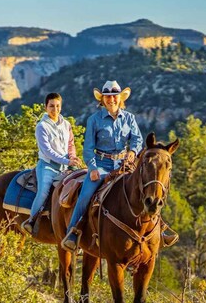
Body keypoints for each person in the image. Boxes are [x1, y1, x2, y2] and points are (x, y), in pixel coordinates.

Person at [60, 81, 144, 252]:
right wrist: (93, 169)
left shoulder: (129, 118)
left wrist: (133, 151)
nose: (111, 99)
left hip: (124, 164)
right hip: (101, 164)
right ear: (102, 100)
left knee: (147, 189)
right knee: (85, 195)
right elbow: (88, 148)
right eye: (107, 97)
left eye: (114, 96)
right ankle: (72, 234)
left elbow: (137, 139)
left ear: (120, 98)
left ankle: (159, 229)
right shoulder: (94, 120)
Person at [21, 92, 83, 236]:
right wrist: (67, 161)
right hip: (48, 166)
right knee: (43, 192)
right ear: (45, 107)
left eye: (57, 106)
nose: (55, 109)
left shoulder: (66, 124)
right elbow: (47, 151)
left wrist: (73, 157)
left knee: (79, 186)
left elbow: (70, 144)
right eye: (51, 106)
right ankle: (31, 220)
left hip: (66, 166)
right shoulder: (41, 126)